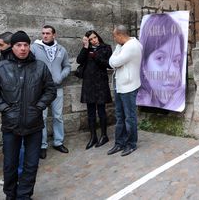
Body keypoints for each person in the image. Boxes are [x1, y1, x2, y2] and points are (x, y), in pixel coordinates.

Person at [0, 31, 57, 199]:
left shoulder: (40, 67)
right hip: (10, 126)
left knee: (31, 165)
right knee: (10, 164)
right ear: (12, 47)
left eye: (25, 45)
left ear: (29, 46)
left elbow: (50, 90)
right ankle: (10, 194)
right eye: (18, 45)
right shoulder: (0, 68)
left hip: (34, 125)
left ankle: (24, 195)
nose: (22, 48)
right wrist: (6, 110)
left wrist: (38, 107)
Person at [31, 25, 71, 159]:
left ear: (54, 35)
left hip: (57, 89)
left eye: (48, 33)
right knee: (41, 117)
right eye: (43, 33)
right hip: (40, 90)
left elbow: (67, 66)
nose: (45, 36)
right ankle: (42, 145)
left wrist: (61, 76)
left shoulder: (61, 49)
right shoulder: (34, 48)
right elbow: (29, 66)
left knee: (58, 116)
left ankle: (58, 142)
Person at [136, 14, 186, 112]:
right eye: (160, 58)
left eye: (176, 60)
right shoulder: (141, 99)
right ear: (143, 65)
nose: (172, 73)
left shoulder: (180, 99)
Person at [0, 31, 25, 183]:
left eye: (1, 45)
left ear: (9, 44)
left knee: (18, 144)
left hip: (16, 108)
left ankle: (18, 174)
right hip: (8, 108)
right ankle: (13, 173)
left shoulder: (14, 59)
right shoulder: (4, 57)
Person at [107, 25, 142, 156]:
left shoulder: (131, 46)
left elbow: (113, 62)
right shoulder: (122, 46)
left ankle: (131, 144)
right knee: (120, 116)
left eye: (114, 36)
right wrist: (117, 50)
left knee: (129, 117)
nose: (114, 39)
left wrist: (116, 53)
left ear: (120, 35)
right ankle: (119, 143)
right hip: (120, 85)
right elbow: (112, 61)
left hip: (129, 86)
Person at [76, 30, 112, 149]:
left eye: (95, 37)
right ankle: (93, 137)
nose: (93, 40)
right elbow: (79, 61)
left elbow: (108, 64)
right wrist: (85, 47)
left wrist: (95, 56)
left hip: (101, 83)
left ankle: (104, 135)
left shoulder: (106, 47)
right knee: (90, 112)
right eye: (90, 39)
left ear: (98, 36)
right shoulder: (87, 49)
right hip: (88, 83)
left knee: (101, 110)